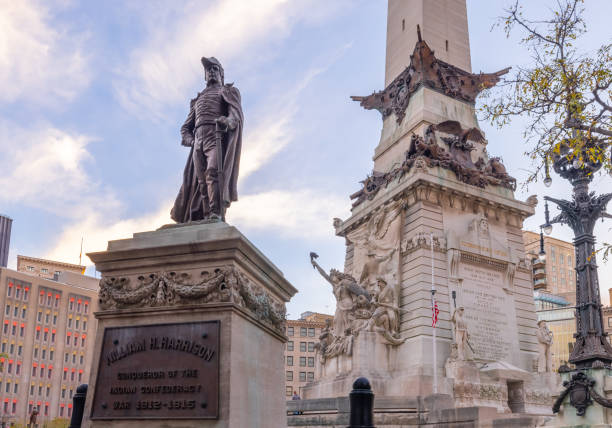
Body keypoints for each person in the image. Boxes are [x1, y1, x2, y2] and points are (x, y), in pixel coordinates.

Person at [171, 57, 244, 222]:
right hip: (198, 139)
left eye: (215, 69)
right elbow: (186, 127)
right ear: (205, 75)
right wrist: (190, 140)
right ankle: (205, 214)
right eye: (208, 69)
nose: (211, 71)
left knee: (212, 172)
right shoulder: (198, 99)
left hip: (214, 135)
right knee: (201, 180)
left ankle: (215, 212)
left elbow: (234, 116)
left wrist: (226, 121)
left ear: (221, 74)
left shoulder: (227, 92)